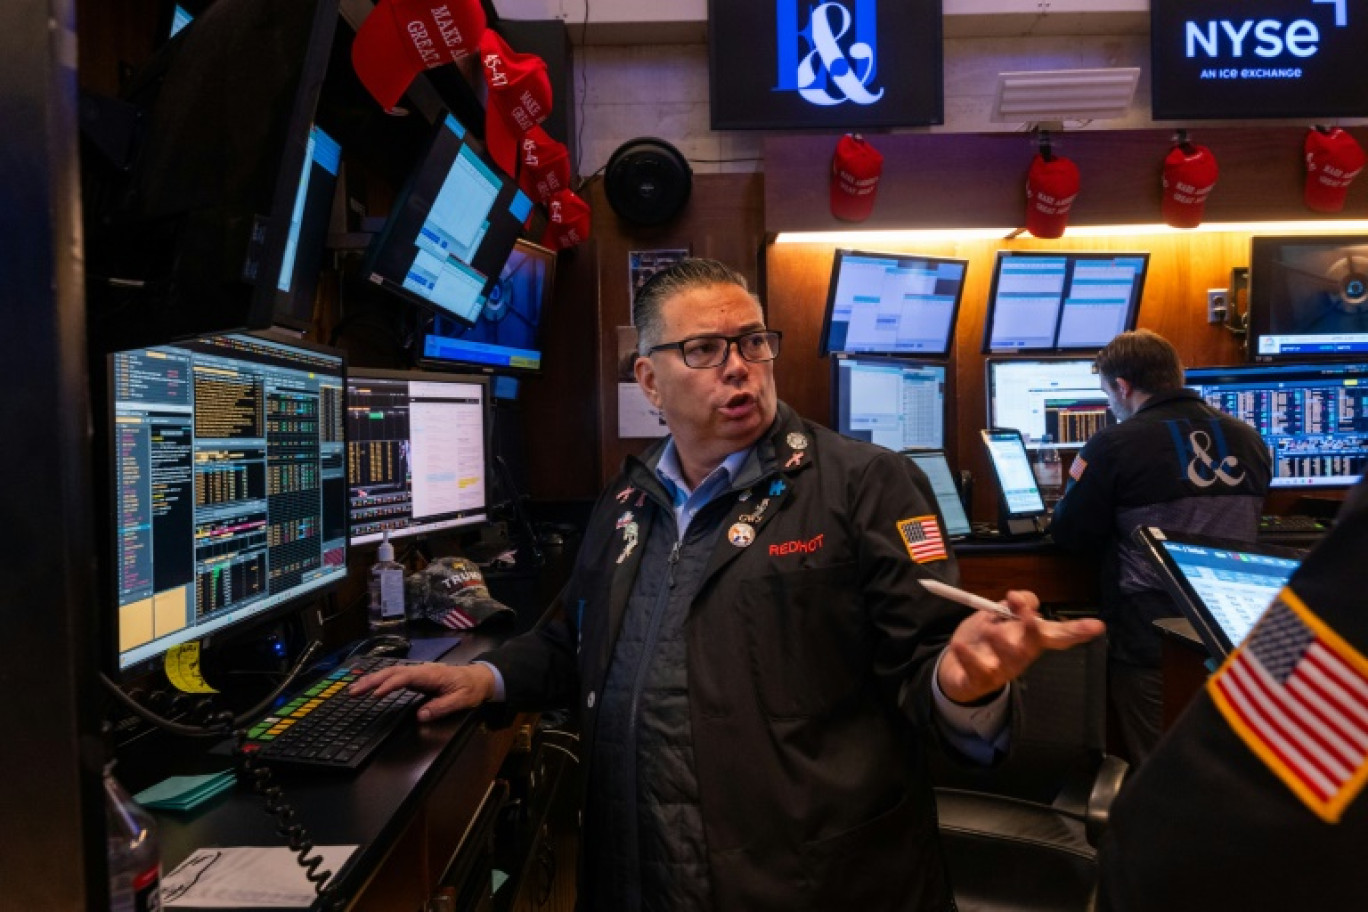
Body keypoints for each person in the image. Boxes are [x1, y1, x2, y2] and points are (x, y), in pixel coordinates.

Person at [353, 258, 1103, 910]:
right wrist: (486, 678)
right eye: (704, 349)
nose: (739, 365)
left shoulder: (867, 485)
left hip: (812, 885)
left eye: (751, 341)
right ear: (649, 378)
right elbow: (573, 639)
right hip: (639, 874)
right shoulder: (627, 498)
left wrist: (965, 684)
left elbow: (928, 665)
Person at [1097, 477, 1368, 910]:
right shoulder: (1249, 441)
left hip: (1145, 626)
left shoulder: (1117, 445)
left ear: (1128, 400)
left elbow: (1194, 844)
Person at [1049, 329, 1271, 765]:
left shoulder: (1114, 444)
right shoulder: (1249, 438)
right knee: (1231, 765)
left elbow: (1072, 534)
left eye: (1108, 393)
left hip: (1152, 640)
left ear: (1123, 386)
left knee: (1162, 772)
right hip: (1235, 634)